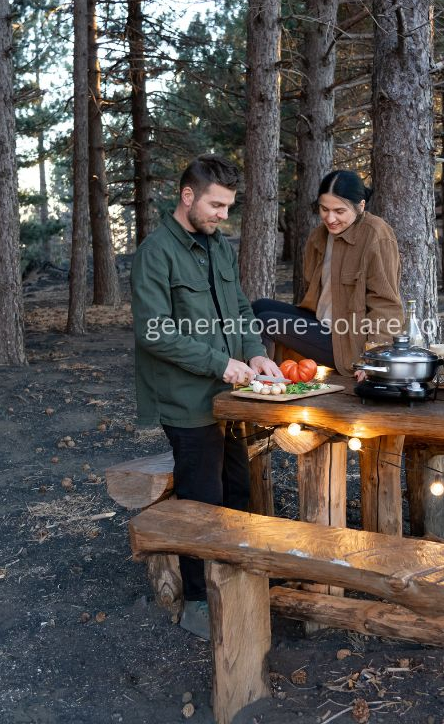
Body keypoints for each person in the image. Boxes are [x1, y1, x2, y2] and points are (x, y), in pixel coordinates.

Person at [130, 154, 282, 640]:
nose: (223, 215)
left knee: (238, 491)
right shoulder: (155, 253)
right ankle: (198, 600)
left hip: (231, 395)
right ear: (187, 196)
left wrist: (254, 353)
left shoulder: (219, 247)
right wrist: (219, 362)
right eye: (216, 205)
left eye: (228, 206)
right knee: (202, 503)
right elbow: (154, 332)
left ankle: (235, 577)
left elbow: (240, 308)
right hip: (186, 400)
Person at [253, 170, 404, 377]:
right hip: (321, 323)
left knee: (267, 322)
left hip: (348, 342)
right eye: (324, 209)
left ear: (361, 206)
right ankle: (255, 370)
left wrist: (376, 359)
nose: (330, 218)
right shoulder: (320, 236)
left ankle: (265, 383)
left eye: (339, 211)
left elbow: (386, 304)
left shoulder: (376, 235)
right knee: (259, 307)